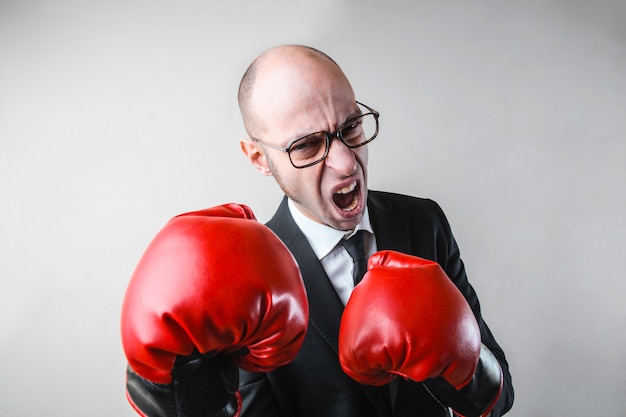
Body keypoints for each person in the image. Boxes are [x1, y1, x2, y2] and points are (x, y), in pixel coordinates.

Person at [121, 44, 514, 417]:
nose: (346, 164)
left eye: (352, 126)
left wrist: (467, 366)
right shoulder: (248, 279)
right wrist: (181, 395)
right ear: (259, 157)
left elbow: (498, 400)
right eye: (308, 146)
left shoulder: (423, 222)